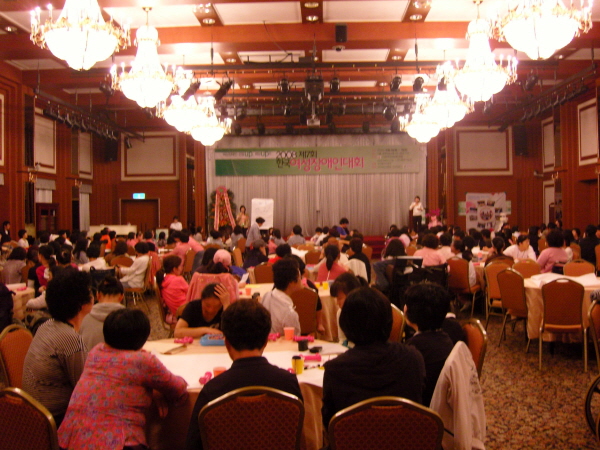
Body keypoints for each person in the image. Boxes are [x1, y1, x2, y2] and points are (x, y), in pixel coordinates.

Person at [59, 309, 188, 450]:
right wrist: (156, 387)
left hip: (70, 440)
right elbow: (178, 389)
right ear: (143, 338)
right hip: (118, 443)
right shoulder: (143, 360)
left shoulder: (96, 352)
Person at [185, 299, 302, 450]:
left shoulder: (213, 391)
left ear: (227, 343)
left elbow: (193, 445)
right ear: (266, 341)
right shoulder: (287, 384)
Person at [322, 287, 425, 426]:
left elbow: (329, 423)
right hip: (406, 435)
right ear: (389, 320)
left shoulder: (335, 369)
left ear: (346, 323)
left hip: (353, 437)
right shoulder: (412, 358)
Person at [22, 268, 93, 426]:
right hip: (53, 420)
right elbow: (84, 389)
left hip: (31, 412)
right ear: (82, 303)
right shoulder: (70, 340)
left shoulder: (47, 325)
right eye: (89, 291)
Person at [404, 283, 455, 406]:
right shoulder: (446, 339)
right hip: (441, 406)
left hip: (422, 410)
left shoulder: (413, 349)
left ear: (412, 312)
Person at [79, 275, 125, 350]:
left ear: (98, 295)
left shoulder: (83, 317)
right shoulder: (130, 319)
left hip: (88, 357)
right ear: (121, 297)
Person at [261, 257, 302, 335]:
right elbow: (295, 339)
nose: (301, 279)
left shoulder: (266, 296)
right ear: (291, 282)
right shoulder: (289, 313)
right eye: (299, 276)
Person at [329, 272, 365, 345]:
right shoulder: (340, 313)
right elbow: (342, 339)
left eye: (339, 298)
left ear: (352, 294)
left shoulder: (366, 311)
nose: (337, 303)